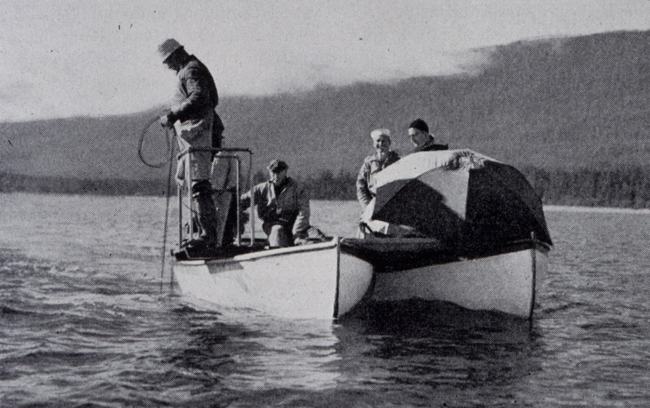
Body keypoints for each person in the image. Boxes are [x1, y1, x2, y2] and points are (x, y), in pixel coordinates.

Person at [157, 38, 224, 250]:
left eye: (168, 61)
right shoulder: (189, 69)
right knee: (196, 184)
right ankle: (202, 232)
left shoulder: (191, 70)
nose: (167, 66)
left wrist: (173, 114)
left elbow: (200, 96)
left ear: (175, 55)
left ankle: (207, 236)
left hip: (199, 134)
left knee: (199, 185)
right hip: (194, 135)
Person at [240, 160, 311, 248]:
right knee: (278, 231)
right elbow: (242, 202)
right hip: (272, 224)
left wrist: (297, 232)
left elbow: (303, 212)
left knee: (316, 236)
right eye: (273, 172)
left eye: (279, 172)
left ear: (285, 171)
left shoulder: (297, 188)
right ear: (269, 172)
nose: (276, 176)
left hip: (295, 224)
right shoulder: (261, 189)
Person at [356, 128, 400, 209]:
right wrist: (368, 207)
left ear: (389, 143)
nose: (380, 144)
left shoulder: (397, 162)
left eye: (384, 141)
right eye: (378, 141)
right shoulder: (368, 163)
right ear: (373, 144)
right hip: (372, 205)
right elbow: (361, 187)